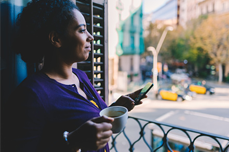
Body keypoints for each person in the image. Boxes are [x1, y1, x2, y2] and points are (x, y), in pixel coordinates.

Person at [2, 0, 145, 152]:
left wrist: (117, 107)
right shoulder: (32, 94)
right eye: (82, 30)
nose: (91, 37)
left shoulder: (80, 76)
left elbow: (87, 120)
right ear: (56, 39)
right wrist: (72, 142)